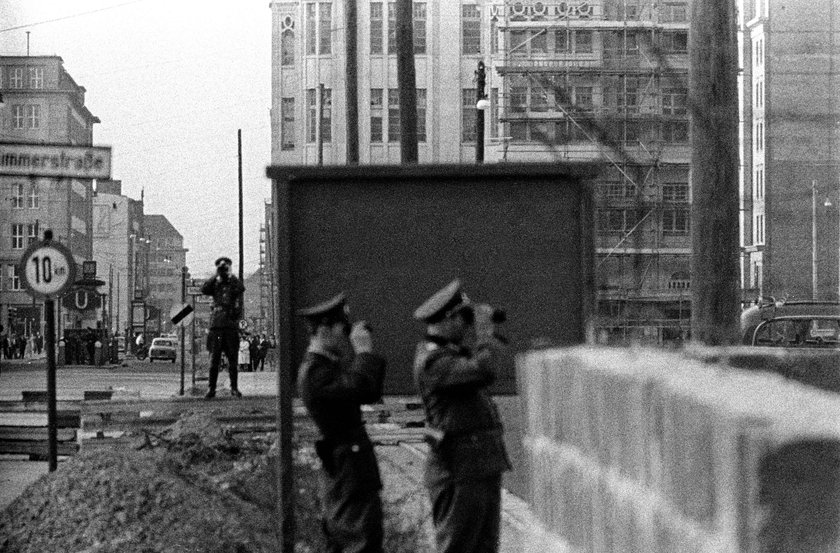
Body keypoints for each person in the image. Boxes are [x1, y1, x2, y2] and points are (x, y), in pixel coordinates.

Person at [412, 279, 511, 553]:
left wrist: (487, 334)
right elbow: (483, 370)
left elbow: (494, 362)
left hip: (477, 467)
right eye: (463, 318)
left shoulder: (452, 354)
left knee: (484, 547)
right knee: (459, 547)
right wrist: (483, 333)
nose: (466, 325)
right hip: (458, 471)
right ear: (448, 319)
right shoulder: (433, 361)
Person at [297, 293, 386, 553]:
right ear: (323, 329)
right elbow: (361, 389)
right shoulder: (315, 372)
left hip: (351, 466)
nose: (347, 336)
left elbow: (365, 389)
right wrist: (365, 352)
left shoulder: (325, 366)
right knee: (359, 543)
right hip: (348, 469)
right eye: (343, 328)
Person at [201, 256, 245, 399]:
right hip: (217, 326)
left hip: (230, 325)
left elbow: (241, 288)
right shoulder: (215, 284)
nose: (224, 269)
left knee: (233, 358)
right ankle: (211, 388)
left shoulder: (233, 283)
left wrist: (230, 275)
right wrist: (216, 275)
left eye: (226, 266)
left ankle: (234, 388)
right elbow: (204, 289)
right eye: (222, 266)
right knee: (214, 359)